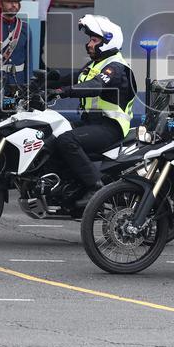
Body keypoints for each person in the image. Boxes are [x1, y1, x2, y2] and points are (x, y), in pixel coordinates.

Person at [50, 15, 137, 205]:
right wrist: (42, 84)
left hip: (111, 127)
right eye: (90, 40)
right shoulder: (96, 65)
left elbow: (95, 85)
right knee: (52, 136)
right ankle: (63, 190)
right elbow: (72, 79)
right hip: (92, 123)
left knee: (67, 139)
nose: (89, 44)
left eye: (94, 40)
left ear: (108, 41)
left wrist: (61, 93)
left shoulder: (116, 67)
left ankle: (95, 187)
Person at [0, 0, 30, 88]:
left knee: (11, 104)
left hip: (16, 82)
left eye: (16, 2)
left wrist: (27, 84)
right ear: (1, 4)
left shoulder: (24, 28)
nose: (13, 5)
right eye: (9, 1)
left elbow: (29, 60)